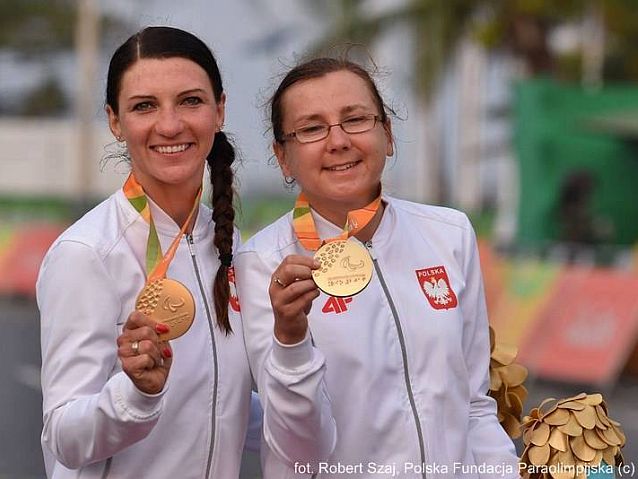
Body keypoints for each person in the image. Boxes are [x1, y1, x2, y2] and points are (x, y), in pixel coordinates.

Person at [235, 57, 520, 478]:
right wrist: (291, 342)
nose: (338, 141)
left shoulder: (450, 234)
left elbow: (474, 404)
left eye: (354, 119)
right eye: (312, 128)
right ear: (283, 157)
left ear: (386, 133)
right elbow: (297, 451)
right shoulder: (262, 264)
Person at [38, 26, 259, 479]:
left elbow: (221, 403)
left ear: (220, 110)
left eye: (191, 101)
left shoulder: (227, 243)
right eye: (144, 106)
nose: (171, 124)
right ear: (115, 122)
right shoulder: (88, 253)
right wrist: (136, 394)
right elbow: (63, 437)